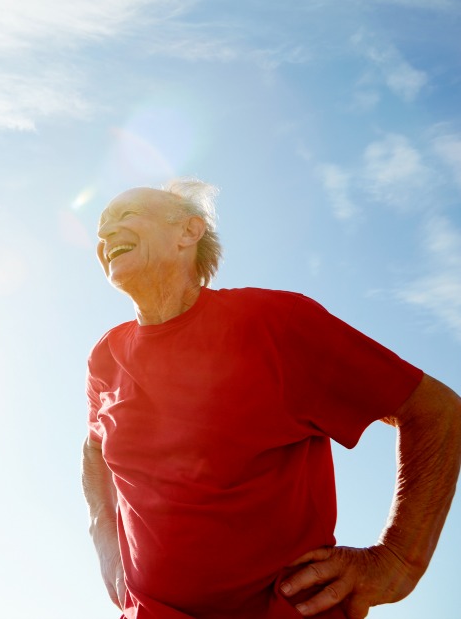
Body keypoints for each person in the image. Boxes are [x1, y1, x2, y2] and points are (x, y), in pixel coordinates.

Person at [81, 179, 461, 619]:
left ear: (189, 231)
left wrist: (399, 560)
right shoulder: (104, 357)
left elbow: (435, 411)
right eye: (101, 228)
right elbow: (93, 450)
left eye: (125, 216)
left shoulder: (274, 323)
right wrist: (103, 534)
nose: (105, 235)